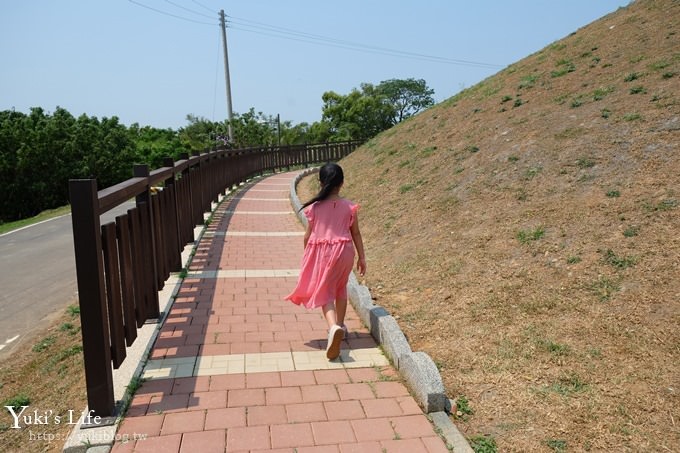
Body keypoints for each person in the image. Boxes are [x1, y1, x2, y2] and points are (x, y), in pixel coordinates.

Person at [285, 163, 367, 360]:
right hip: (346, 251)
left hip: (324, 253)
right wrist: (362, 257)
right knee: (341, 288)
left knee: (324, 291)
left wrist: (308, 255)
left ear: (320, 182)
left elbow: (308, 236)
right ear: (342, 183)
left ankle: (333, 327)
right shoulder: (350, 207)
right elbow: (356, 233)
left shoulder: (315, 207)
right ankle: (341, 325)